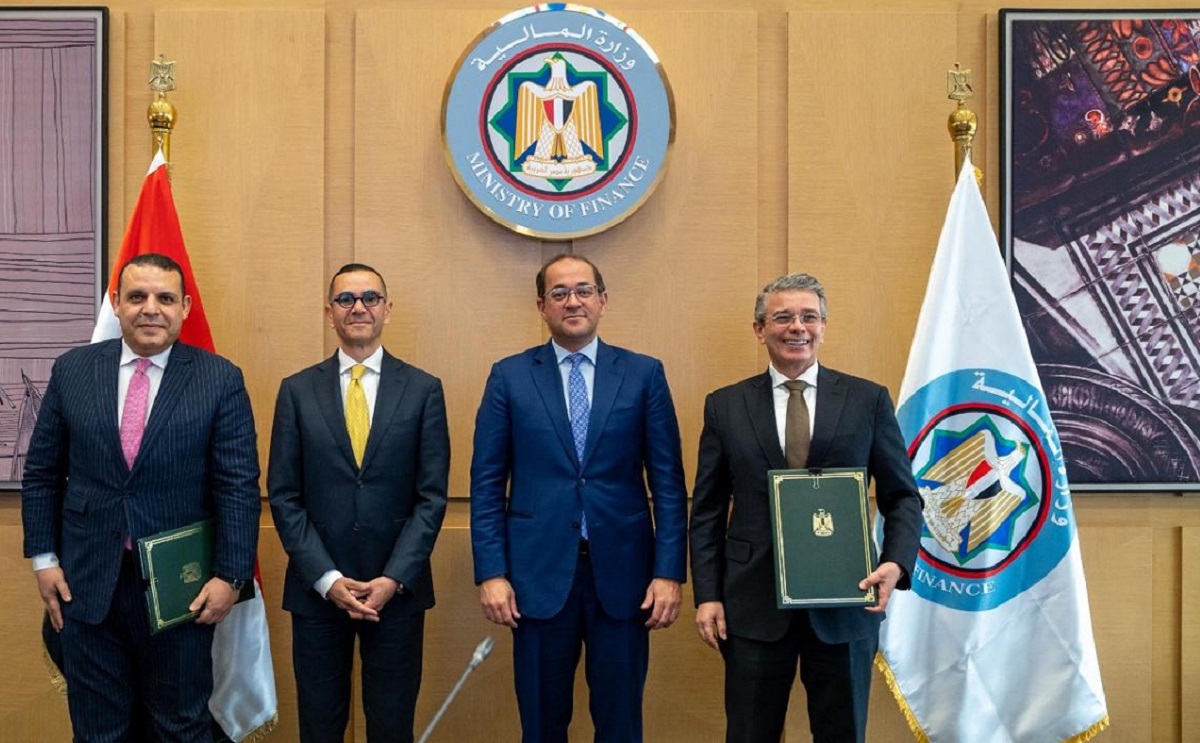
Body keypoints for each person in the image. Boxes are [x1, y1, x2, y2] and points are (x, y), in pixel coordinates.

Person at [22, 253, 261, 742]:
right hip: (86, 585)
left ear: (185, 307)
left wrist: (230, 577)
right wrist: (44, 560)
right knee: (98, 731)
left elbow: (237, 486)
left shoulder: (219, 378)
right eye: (137, 296)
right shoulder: (72, 370)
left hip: (181, 590)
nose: (151, 308)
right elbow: (42, 474)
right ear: (116, 303)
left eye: (165, 298)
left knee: (180, 727)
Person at [689, 272, 924, 743]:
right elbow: (708, 511)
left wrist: (896, 562)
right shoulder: (725, 406)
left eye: (809, 317)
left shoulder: (867, 400)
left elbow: (902, 496)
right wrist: (708, 595)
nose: (798, 327)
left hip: (846, 600)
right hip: (752, 605)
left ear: (823, 327)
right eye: (783, 317)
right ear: (760, 329)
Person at [470, 253, 688, 743]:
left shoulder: (643, 374)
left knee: (621, 725)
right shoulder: (509, 376)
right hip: (535, 579)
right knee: (542, 725)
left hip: (626, 579)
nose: (573, 301)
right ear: (541, 306)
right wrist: (491, 573)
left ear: (603, 300)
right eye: (560, 293)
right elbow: (486, 485)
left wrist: (669, 572)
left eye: (584, 291)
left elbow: (669, 485)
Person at [268, 263, 449, 743]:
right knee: (320, 727)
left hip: (397, 593)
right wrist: (327, 579)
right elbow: (284, 496)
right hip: (317, 592)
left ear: (388, 309)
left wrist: (393, 578)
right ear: (329, 312)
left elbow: (431, 497)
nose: (359, 307)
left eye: (370, 297)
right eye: (346, 299)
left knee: (392, 727)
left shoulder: (424, 389)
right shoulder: (296, 390)